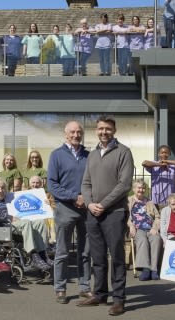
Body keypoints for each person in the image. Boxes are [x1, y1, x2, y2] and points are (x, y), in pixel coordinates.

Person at [78, 116, 133, 316]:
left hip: (114, 213)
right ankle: (100, 294)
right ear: (96, 131)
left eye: (108, 129)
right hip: (93, 213)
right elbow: (85, 183)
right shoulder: (92, 155)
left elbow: (124, 185)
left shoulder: (123, 152)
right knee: (97, 256)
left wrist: (103, 204)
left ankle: (119, 300)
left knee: (117, 257)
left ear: (114, 130)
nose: (104, 132)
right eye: (101, 129)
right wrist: (90, 203)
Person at [47, 120, 91, 304]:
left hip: (86, 209)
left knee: (85, 251)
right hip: (65, 208)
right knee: (63, 251)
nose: (76, 135)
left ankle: (85, 287)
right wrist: (74, 197)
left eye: (79, 132)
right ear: (66, 134)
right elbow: (52, 184)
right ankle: (60, 288)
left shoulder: (89, 155)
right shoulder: (56, 155)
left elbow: (94, 180)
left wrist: (86, 198)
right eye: (72, 132)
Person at [0, 177, 51, 272]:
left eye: (3, 188)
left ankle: (42, 254)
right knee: (26, 223)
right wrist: (8, 217)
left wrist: (44, 203)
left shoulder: (9, 198)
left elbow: (29, 204)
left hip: (15, 225)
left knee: (40, 222)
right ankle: (33, 255)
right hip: (0, 228)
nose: (0, 190)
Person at [127, 179, 162, 281]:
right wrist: (131, 226)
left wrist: (155, 228)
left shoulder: (149, 202)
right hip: (138, 228)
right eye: (139, 188)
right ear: (134, 189)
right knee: (142, 240)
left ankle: (154, 270)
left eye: (143, 188)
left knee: (156, 239)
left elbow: (157, 217)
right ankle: (145, 269)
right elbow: (126, 217)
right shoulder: (129, 201)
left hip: (150, 228)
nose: (141, 190)